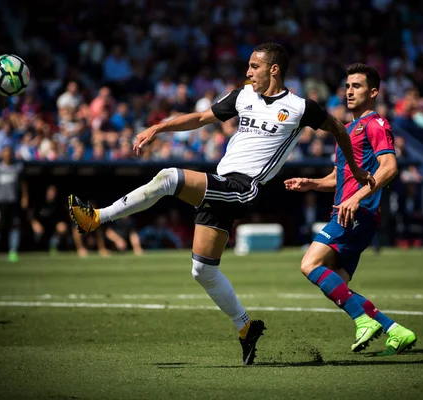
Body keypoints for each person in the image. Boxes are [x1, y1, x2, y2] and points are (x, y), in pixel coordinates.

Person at [68, 42, 374, 365]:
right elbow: (201, 118)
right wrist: (159, 127)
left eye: (254, 66)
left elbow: (339, 128)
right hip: (221, 184)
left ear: (274, 69)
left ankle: (96, 218)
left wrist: (353, 169)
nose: (247, 72)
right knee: (202, 270)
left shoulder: (299, 107)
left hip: (243, 187)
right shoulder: (243, 96)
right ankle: (246, 328)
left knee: (168, 177)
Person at [284, 63, 416, 356]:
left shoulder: (375, 124)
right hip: (348, 212)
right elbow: (339, 177)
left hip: (357, 213)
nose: (349, 91)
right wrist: (312, 183)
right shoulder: (346, 130)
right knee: (337, 285)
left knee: (310, 264)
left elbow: (390, 168)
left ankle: (362, 321)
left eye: (356, 86)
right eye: (347, 86)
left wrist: (357, 198)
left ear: (373, 92)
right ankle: (395, 329)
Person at [29, 184, 70, 255]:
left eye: (53, 192)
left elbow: (64, 218)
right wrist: (34, 222)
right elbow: (30, 215)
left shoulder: (58, 203)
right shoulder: (39, 201)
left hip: (53, 228)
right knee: (36, 232)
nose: (52, 194)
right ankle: (35, 248)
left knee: (62, 227)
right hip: (41, 228)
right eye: (50, 191)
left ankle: (53, 245)